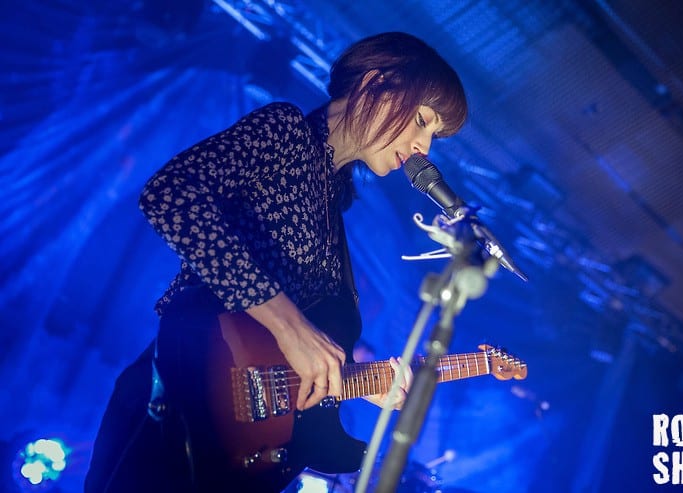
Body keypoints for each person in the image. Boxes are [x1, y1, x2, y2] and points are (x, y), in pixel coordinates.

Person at [85, 31, 468, 493]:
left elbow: (273, 359)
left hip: (238, 440)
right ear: (376, 85)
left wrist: (350, 380)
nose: (425, 146)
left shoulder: (334, 200)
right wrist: (292, 327)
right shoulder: (286, 131)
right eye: (423, 121)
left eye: (434, 134)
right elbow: (170, 195)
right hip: (181, 403)